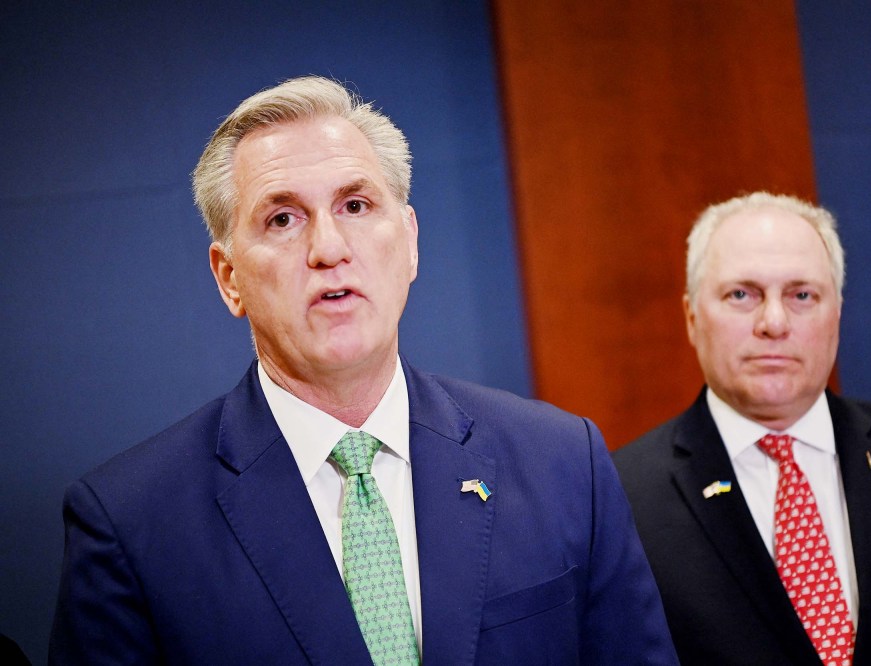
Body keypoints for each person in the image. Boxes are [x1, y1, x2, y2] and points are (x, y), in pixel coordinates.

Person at [48, 75, 679, 665]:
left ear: (409, 242)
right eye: (283, 219)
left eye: (355, 205)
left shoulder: (564, 462)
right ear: (228, 277)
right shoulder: (129, 523)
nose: (329, 249)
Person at [613, 191, 871, 665]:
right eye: (741, 294)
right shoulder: (622, 500)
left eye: (801, 295)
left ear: (836, 313)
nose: (773, 323)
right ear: (692, 316)